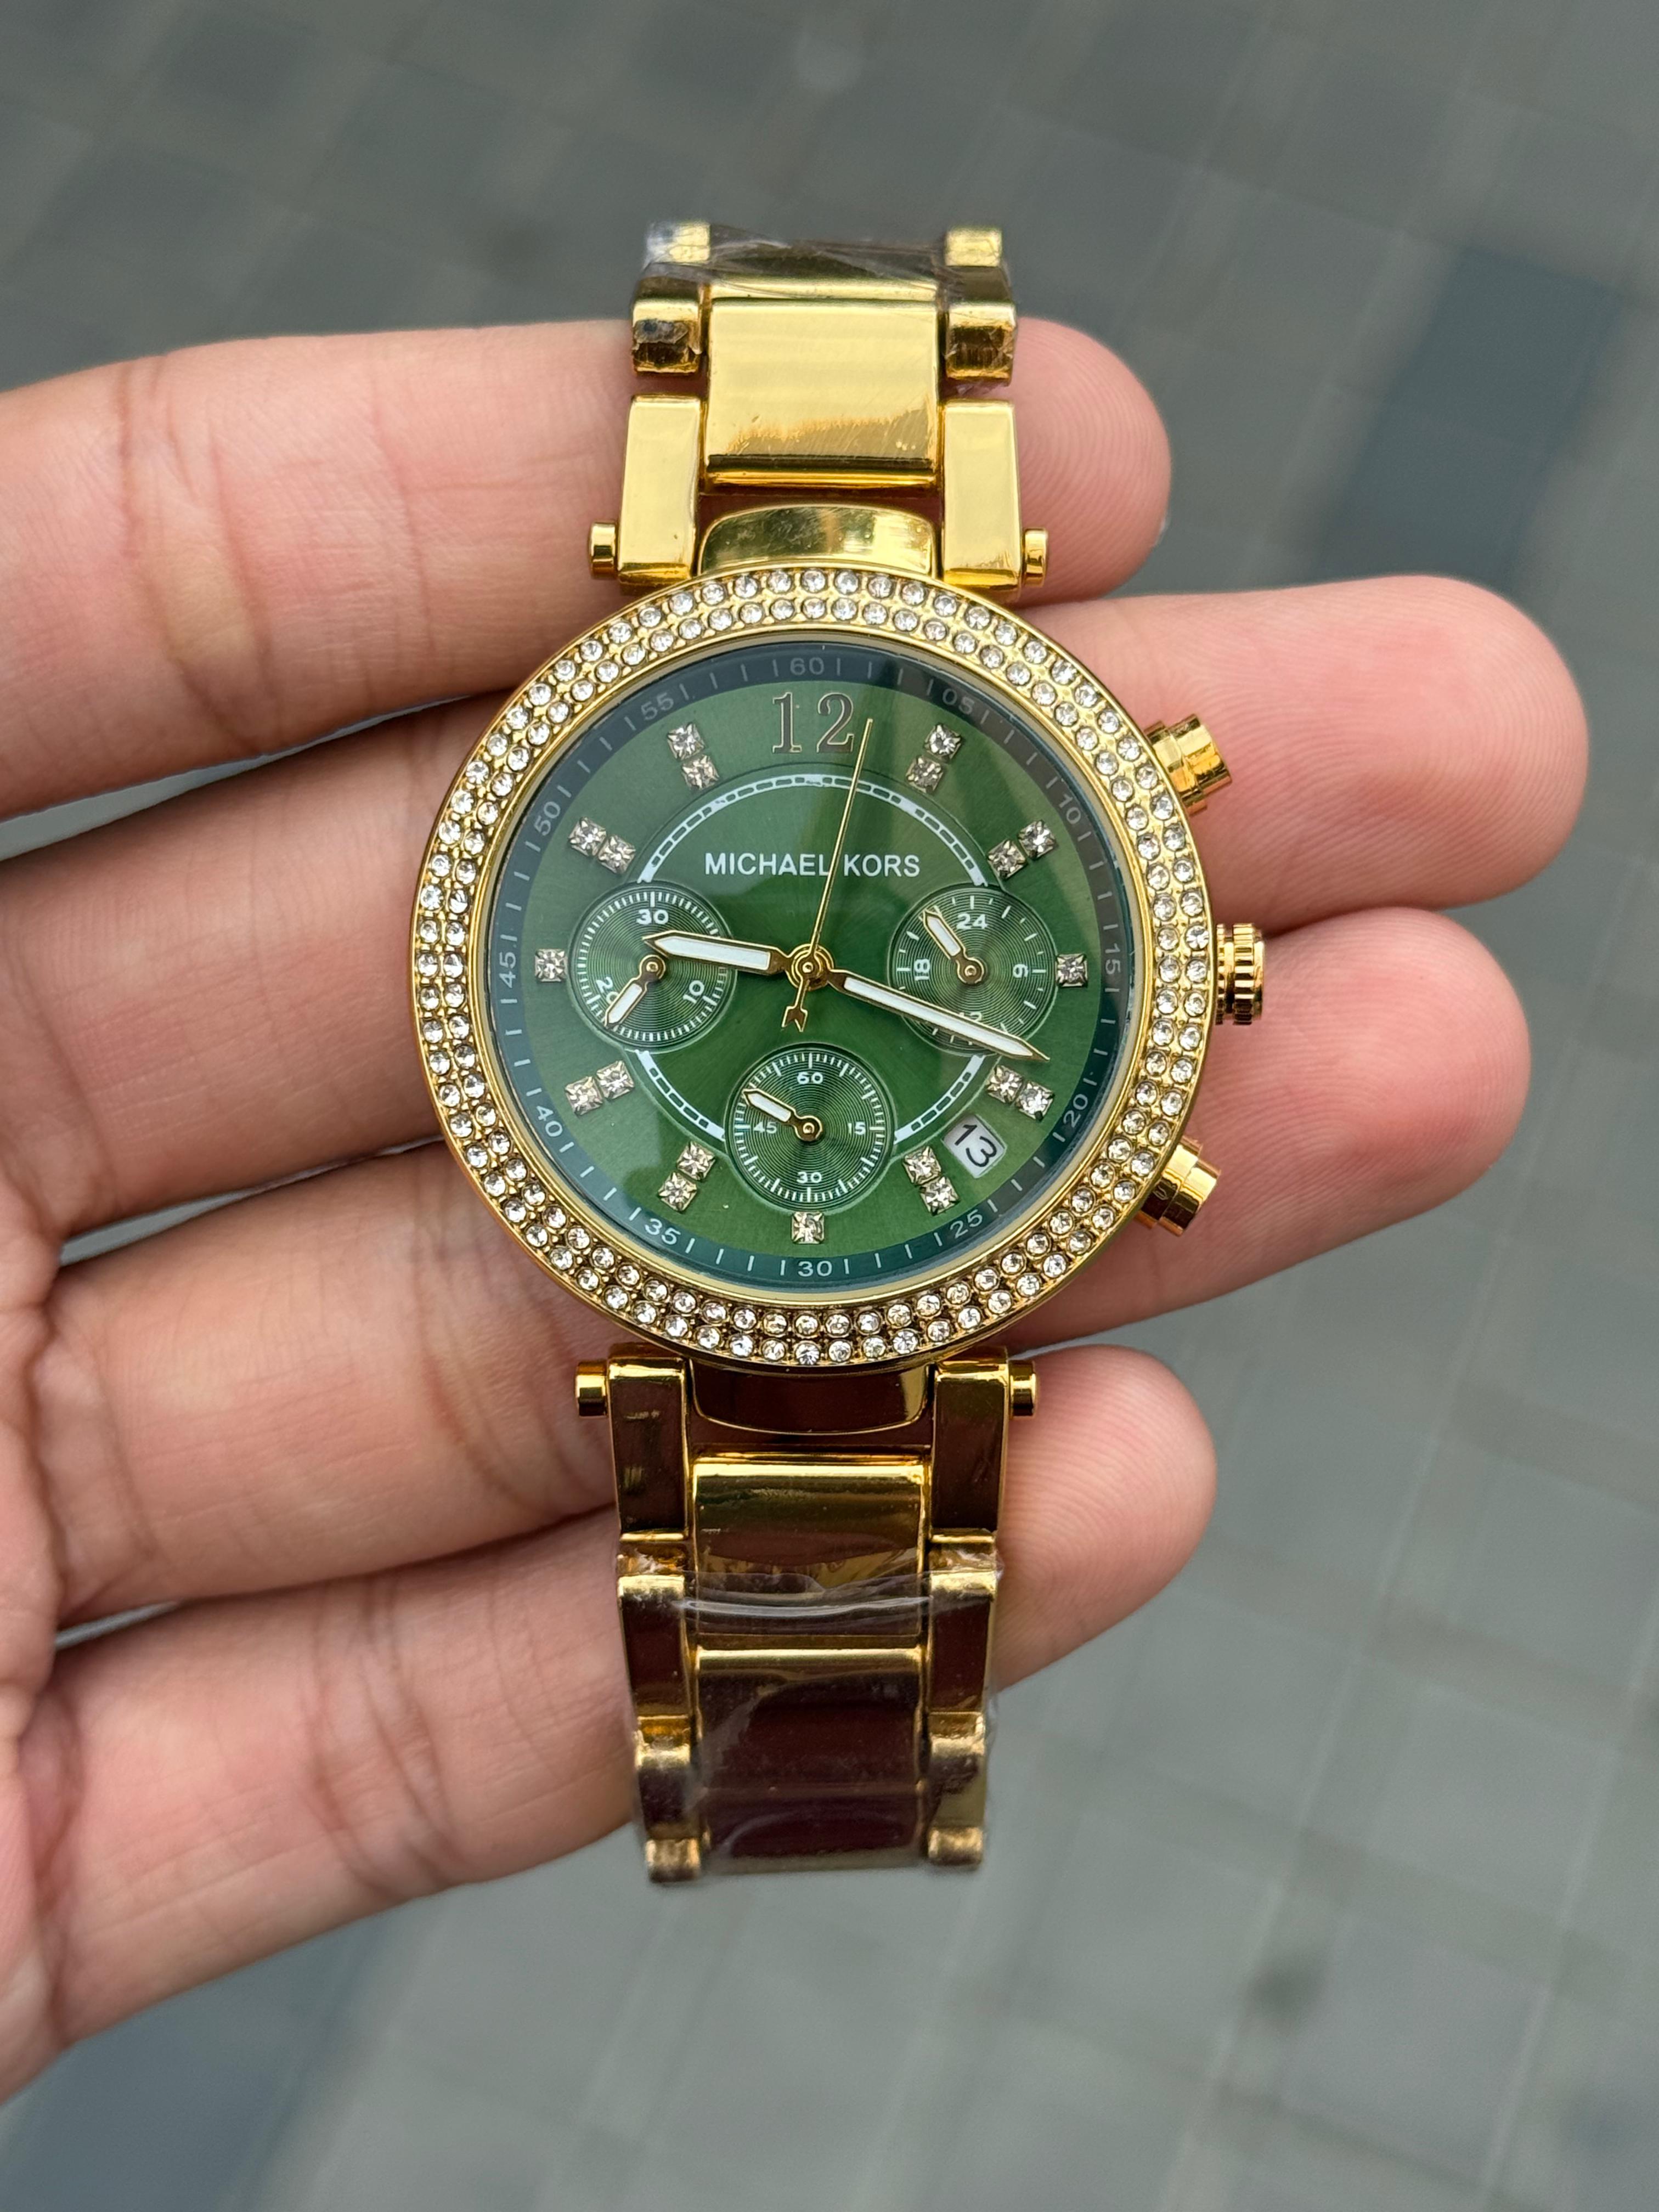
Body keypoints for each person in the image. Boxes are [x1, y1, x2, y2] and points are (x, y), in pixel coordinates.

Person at [0, 318, 1585, 2092]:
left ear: (1204, 972)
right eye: (790, 966)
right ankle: (803, 1777)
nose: (812, 975)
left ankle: (813, 1775)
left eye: (826, 969)